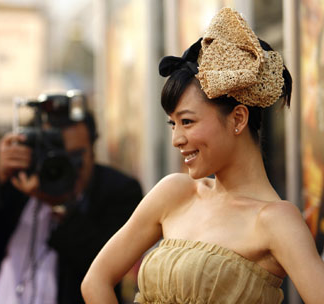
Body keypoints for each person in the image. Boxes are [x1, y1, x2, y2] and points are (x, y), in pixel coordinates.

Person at [81, 7, 324, 304]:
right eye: (173, 124)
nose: (176, 139)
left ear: (238, 119)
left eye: (187, 121)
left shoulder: (276, 220)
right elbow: (95, 281)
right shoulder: (174, 192)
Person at [0, 91, 143, 304]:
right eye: (54, 153)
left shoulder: (119, 190)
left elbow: (107, 267)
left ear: (93, 150)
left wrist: (60, 205)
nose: (64, 165)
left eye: (75, 156)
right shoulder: (18, 181)